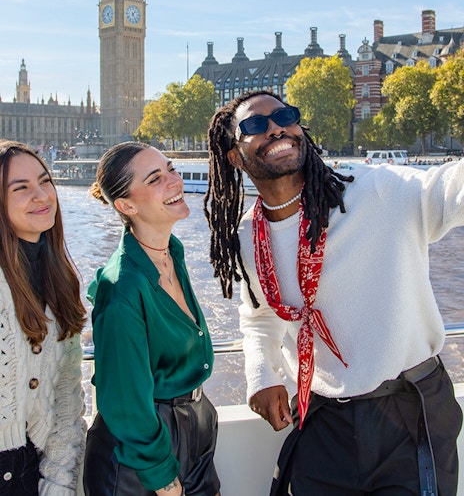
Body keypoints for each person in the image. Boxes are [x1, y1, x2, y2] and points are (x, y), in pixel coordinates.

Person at [204, 90, 464, 496]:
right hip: (323, 415)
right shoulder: (247, 235)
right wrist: (261, 376)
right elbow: (260, 315)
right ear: (235, 156)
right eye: (255, 125)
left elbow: (447, 189)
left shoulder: (376, 189)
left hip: (409, 408)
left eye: (286, 116)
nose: (276, 128)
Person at [83, 142, 220, 496]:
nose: (174, 180)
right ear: (126, 206)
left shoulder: (171, 252)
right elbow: (123, 399)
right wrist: (163, 478)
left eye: (171, 169)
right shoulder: (123, 287)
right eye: (156, 178)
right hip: (140, 458)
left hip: (194, 430)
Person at [0, 140, 87, 495]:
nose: (42, 196)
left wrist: (59, 482)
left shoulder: (61, 280)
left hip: (33, 473)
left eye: (45, 181)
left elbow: (66, 396)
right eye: (21, 188)